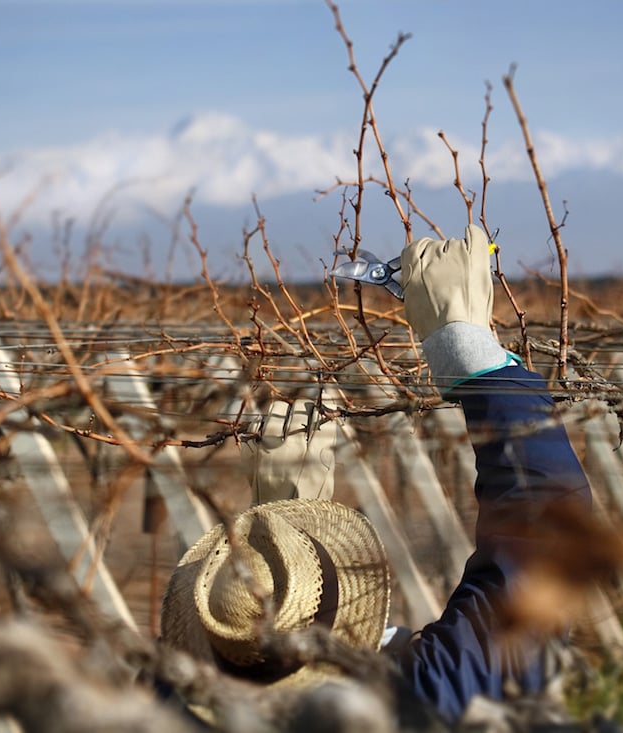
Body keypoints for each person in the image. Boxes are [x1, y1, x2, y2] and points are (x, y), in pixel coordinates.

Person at [159, 225, 592, 725]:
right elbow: (547, 546)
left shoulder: (165, 707)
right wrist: (468, 349)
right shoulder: (419, 701)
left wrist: (281, 524)